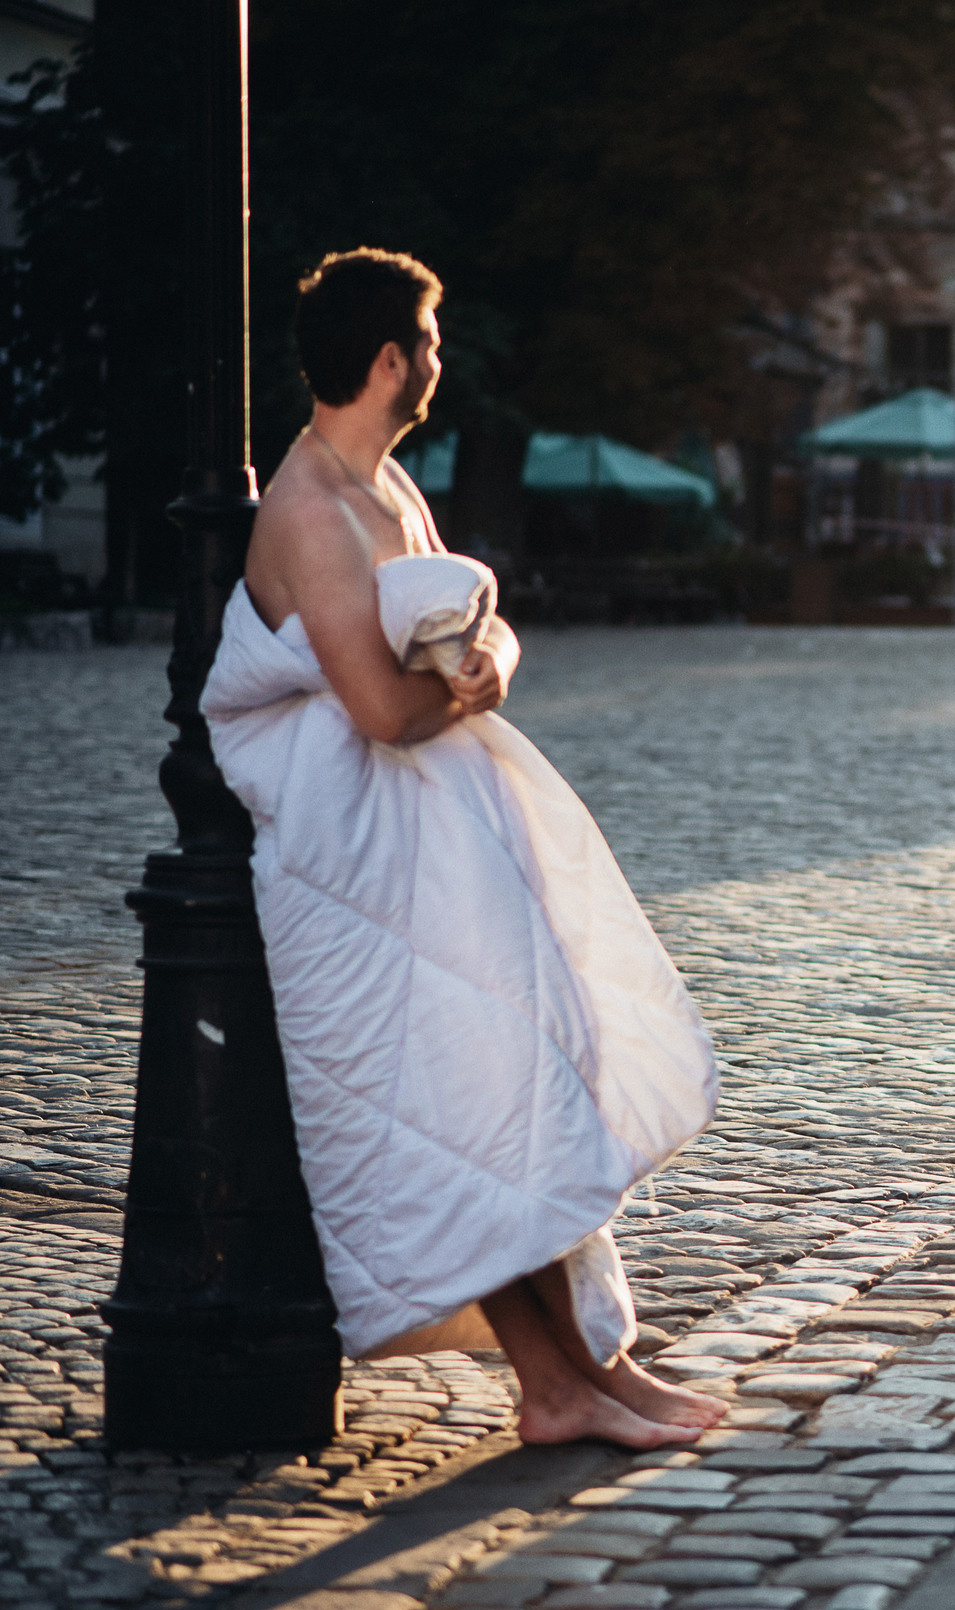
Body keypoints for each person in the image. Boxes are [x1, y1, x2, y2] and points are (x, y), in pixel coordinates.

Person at [203, 250, 724, 1449]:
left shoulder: (387, 489)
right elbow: (384, 711)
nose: (441, 361)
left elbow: (460, 641)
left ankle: (599, 1363)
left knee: (525, 1085)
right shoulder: (310, 510)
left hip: (441, 834)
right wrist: (472, 695)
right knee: (464, 1104)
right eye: (430, 342)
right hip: (368, 859)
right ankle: (549, 1385)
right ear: (391, 358)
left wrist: (495, 667)